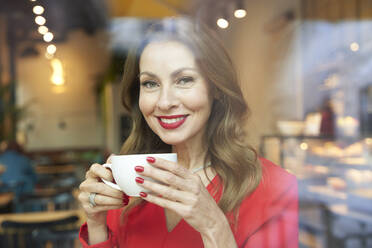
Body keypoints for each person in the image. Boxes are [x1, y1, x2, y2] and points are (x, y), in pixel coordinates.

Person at [78, 17, 298, 248]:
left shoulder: (274, 189)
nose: (164, 102)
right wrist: (96, 223)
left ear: (216, 89)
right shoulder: (129, 183)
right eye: (150, 83)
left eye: (184, 80)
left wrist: (214, 226)